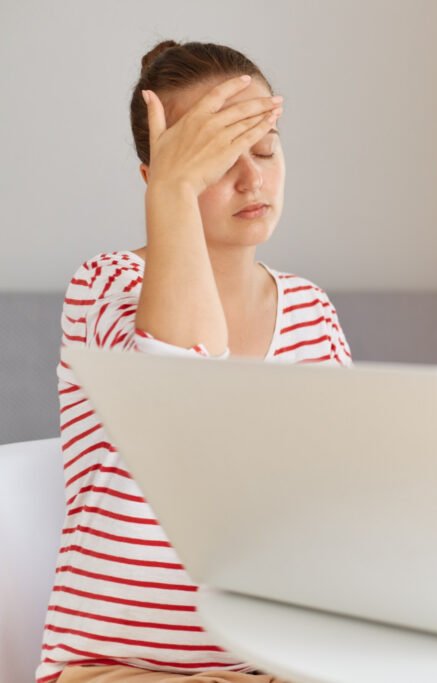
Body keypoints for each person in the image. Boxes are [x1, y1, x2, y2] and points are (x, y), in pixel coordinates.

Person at [40, 41, 349, 683]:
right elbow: (189, 377)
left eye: (264, 148)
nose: (251, 179)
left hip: (275, 665)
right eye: (212, 161)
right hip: (115, 669)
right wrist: (176, 190)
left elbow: (340, 496)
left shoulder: (312, 310)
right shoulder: (104, 286)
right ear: (155, 179)